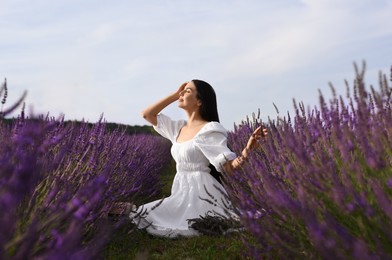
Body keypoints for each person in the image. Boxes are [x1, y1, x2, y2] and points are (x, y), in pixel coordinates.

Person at [129, 79, 267, 238]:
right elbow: (147, 114)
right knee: (144, 213)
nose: (182, 93)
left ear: (199, 101)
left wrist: (247, 150)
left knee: (163, 218)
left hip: (203, 193)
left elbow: (229, 167)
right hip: (181, 190)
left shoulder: (210, 129)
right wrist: (175, 95)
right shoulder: (177, 128)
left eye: (187, 91)